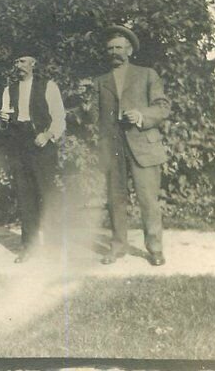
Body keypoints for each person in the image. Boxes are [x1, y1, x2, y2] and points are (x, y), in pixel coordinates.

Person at [88, 25, 171, 266]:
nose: (114, 51)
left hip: (143, 145)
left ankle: (155, 249)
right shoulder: (101, 81)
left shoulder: (147, 74)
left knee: (148, 199)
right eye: (110, 48)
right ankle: (117, 246)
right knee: (115, 199)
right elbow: (95, 116)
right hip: (112, 147)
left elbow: (162, 106)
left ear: (130, 50)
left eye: (118, 47)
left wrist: (141, 115)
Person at [0, 45, 66, 263]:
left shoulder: (49, 86)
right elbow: (4, 124)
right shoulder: (9, 90)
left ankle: (54, 246)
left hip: (42, 145)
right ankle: (28, 246)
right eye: (16, 62)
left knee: (47, 194)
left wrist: (47, 135)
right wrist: (2, 120)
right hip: (20, 145)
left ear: (33, 63)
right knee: (25, 197)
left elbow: (59, 118)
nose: (19, 66)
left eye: (23, 61)